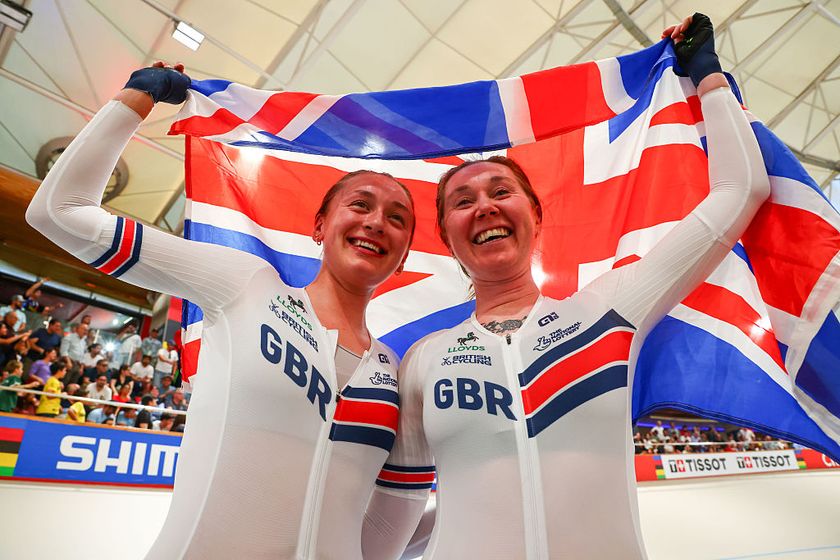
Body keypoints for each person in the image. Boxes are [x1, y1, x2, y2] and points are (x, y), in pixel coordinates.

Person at [367, 14, 771, 559]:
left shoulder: (610, 308)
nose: (484, 205)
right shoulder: (421, 361)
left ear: (533, 214)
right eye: (463, 201)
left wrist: (708, 76)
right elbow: (389, 526)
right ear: (448, 237)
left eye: (500, 191)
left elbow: (739, 190)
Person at [26, 61, 416, 558]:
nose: (377, 221)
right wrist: (135, 101)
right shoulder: (247, 284)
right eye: (360, 205)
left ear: (403, 255)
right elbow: (59, 213)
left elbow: (385, 532)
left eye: (397, 218)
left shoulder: (398, 373)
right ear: (319, 226)